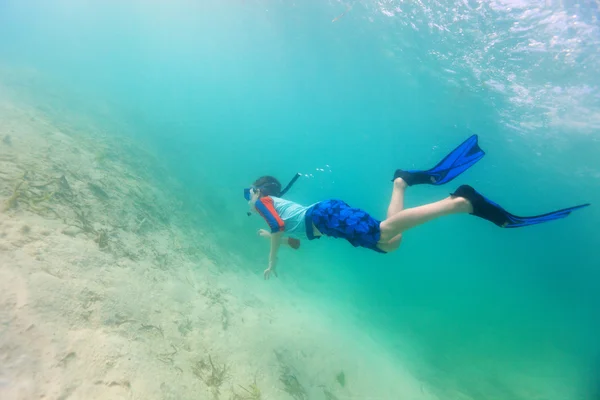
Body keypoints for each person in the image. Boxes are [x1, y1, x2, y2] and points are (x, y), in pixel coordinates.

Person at [244, 135, 590, 280]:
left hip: (324, 215)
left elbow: (277, 227)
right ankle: (402, 182)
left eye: (251, 191)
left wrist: (271, 259)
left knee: (383, 233)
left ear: (259, 190)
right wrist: (270, 239)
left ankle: (460, 202)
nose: (249, 195)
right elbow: (292, 238)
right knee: (391, 244)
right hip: (325, 220)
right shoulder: (271, 207)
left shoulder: (262, 202)